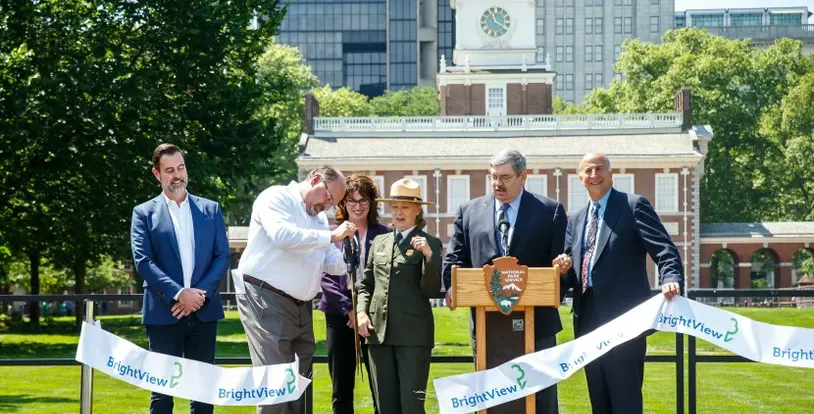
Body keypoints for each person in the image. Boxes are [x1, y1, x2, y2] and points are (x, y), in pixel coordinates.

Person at [552, 152, 683, 414]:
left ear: (611, 174)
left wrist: (671, 278)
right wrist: (561, 269)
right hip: (587, 321)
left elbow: (665, 250)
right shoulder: (576, 220)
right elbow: (570, 272)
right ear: (580, 178)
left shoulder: (633, 206)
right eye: (587, 171)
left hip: (626, 322)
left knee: (625, 400)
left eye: (599, 169)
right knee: (598, 400)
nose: (594, 175)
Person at [442, 148, 567, 413]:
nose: (498, 183)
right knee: (492, 399)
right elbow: (454, 260)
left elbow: (560, 267)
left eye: (505, 177)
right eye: (493, 177)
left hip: (539, 326)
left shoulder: (550, 211)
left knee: (540, 401)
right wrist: (453, 286)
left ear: (523, 177)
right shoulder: (469, 211)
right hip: (488, 327)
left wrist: (560, 272)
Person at [235, 166, 356, 414]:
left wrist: (359, 260)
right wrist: (332, 237)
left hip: (300, 308)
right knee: (276, 385)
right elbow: (284, 236)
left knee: (296, 386)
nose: (328, 206)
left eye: (334, 203)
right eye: (328, 198)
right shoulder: (276, 197)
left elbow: (330, 260)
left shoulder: (319, 219)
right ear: (314, 179)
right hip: (265, 298)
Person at [130, 143, 230, 414]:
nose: (177, 175)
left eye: (181, 167)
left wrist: (198, 296)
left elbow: (222, 257)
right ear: (157, 174)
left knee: (202, 393)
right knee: (163, 394)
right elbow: (143, 261)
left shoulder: (210, 209)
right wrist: (179, 294)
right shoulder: (143, 213)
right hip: (164, 313)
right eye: (170, 170)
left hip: (203, 311)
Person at [356, 178, 442, 414]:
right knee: (385, 407)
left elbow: (432, 290)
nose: (399, 212)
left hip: (413, 338)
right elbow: (366, 284)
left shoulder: (431, 243)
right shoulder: (379, 242)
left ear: (417, 210)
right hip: (378, 336)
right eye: (394, 206)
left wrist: (428, 258)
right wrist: (361, 312)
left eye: (405, 207)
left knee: (412, 407)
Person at [318, 173, 390, 414]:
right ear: (343, 203)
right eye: (352, 201)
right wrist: (349, 309)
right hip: (339, 316)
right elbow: (324, 276)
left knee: (380, 386)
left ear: (371, 203)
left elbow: (386, 277)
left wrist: (363, 311)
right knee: (341, 387)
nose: (357, 206)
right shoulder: (330, 233)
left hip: (374, 317)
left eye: (363, 200)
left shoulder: (384, 234)